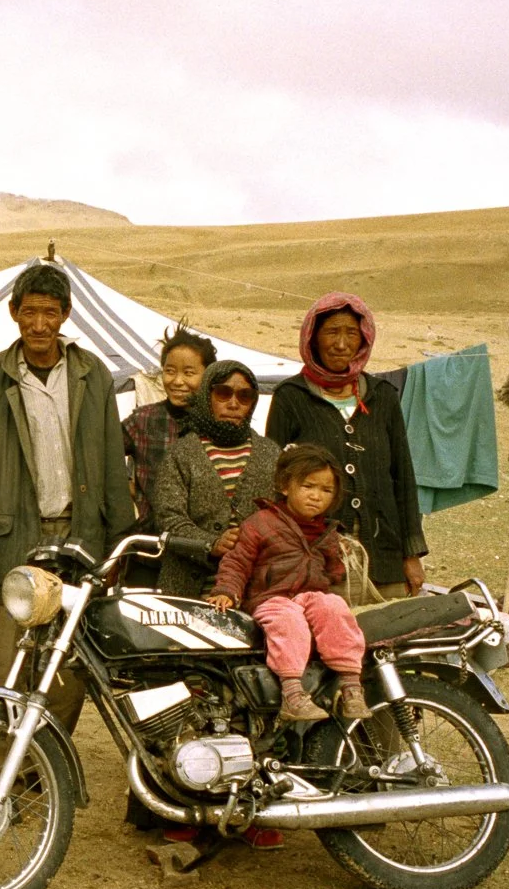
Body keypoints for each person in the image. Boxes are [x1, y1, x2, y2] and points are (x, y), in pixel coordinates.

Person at [0, 262, 133, 734]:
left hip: (79, 537)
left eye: (49, 313)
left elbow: (114, 464)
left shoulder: (92, 375)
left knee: (66, 664)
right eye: (29, 312)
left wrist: (116, 542)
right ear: (13, 313)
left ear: (66, 314)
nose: (38, 325)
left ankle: (45, 764)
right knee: (3, 658)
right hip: (15, 539)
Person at [262, 292, 427, 596]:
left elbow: (403, 477)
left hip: (385, 557)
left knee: (390, 635)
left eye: (351, 333)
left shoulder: (383, 396)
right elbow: (273, 478)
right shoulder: (291, 397)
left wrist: (411, 553)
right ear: (312, 337)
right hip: (316, 557)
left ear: (364, 338)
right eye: (331, 332)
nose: (341, 344)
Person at [205, 443, 372, 725]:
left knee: (333, 605)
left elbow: (333, 572)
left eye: (326, 490)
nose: (316, 496)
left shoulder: (327, 532)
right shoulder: (260, 523)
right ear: (285, 486)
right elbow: (237, 562)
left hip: (310, 597)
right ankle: (292, 693)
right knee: (287, 618)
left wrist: (333, 572)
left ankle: (351, 684)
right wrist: (226, 592)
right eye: (308, 486)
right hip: (270, 599)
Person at [151, 360, 279, 597]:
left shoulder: (271, 453)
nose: (233, 403)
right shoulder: (181, 453)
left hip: (254, 592)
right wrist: (211, 543)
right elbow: (168, 518)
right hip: (187, 589)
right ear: (206, 396)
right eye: (223, 393)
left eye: (244, 396)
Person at [122, 323, 217, 536]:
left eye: (189, 373)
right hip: (152, 540)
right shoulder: (144, 420)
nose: (177, 381)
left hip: (204, 543)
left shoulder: (218, 426)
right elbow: (104, 456)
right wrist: (127, 486)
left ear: (208, 375)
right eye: (170, 371)